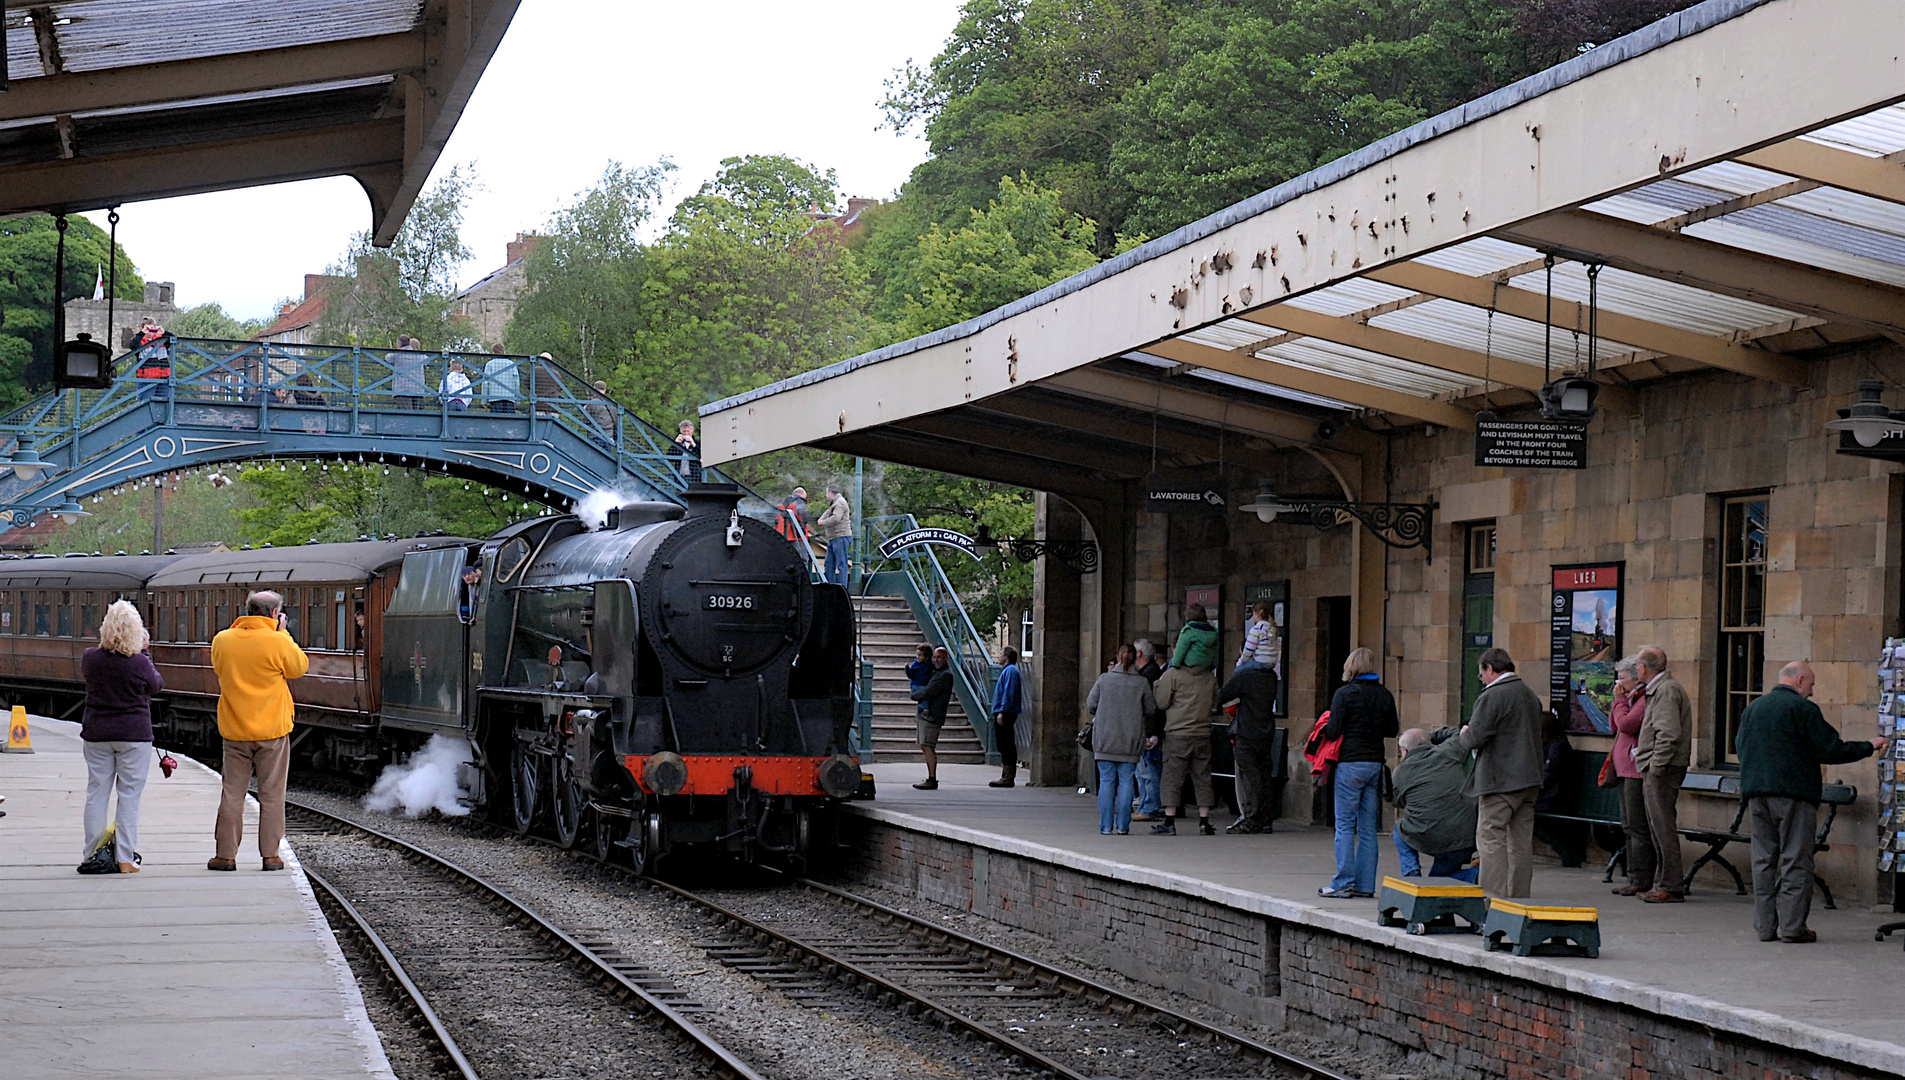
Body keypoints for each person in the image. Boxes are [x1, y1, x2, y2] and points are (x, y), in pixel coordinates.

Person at [1735, 661, 1885, 943]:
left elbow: (1740, 747)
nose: (1813, 692)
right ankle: (1793, 927)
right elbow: (1829, 748)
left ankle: (1765, 927)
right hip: (1794, 793)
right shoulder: (1802, 709)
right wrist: (1868, 746)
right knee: (1796, 859)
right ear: (1800, 680)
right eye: (1812, 684)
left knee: (1763, 859)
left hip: (1756, 793)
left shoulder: (1753, 709)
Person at [208, 591, 309, 872]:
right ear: (275, 614)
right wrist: (284, 634)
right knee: (272, 795)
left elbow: (219, 667)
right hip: (273, 731)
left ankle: (225, 856)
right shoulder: (278, 641)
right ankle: (271, 857)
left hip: (235, 730)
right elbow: (299, 668)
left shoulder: (223, 640)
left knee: (232, 794)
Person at [80, 600, 164, 874]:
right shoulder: (139, 661)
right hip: (133, 736)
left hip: (97, 734)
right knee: (129, 795)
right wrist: (145, 652)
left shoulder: (90, 658)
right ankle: (124, 857)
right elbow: (156, 686)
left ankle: (92, 854)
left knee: (97, 793)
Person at [1459, 648, 1545, 898]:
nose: (1482, 678)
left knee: (1491, 839)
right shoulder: (1530, 695)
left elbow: (1473, 738)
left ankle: (1491, 900)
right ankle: (1518, 901)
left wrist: (1464, 732)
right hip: (1529, 780)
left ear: (1490, 668)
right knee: (1520, 844)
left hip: (1499, 780)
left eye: (1481, 673)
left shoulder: (1493, 696)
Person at [1319, 647, 1398, 897]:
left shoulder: (1344, 694)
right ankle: (1365, 885)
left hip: (1350, 763)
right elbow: (1392, 730)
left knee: (1344, 826)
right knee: (1367, 829)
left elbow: (1333, 731)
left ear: (1351, 666)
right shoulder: (1384, 694)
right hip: (1374, 764)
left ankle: (1343, 882)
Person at [1634, 645, 1694, 903]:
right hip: (1659, 766)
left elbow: (1668, 733)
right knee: (1658, 826)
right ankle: (1664, 882)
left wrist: (1655, 766)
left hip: (1663, 769)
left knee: (1662, 826)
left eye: (1637, 664)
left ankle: (1670, 884)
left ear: (1644, 668)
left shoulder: (1666, 691)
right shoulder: (1660, 689)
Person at [1086, 644, 1156, 836]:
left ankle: (1106, 826)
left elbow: (1091, 704)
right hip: (1130, 740)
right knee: (1126, 782)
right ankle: (1123, 826)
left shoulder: (1104, 679)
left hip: (1105, 738)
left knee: (1107, 781)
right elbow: (1150, 709)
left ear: (1117, 658)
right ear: (1134, 659)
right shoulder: (1141, 682)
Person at [1393, 728, 1479, 881]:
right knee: (1437, 879)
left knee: (1398, 829)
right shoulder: (1449, 751)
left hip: (1429, 836)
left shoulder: (1401, 772)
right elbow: (1457, 732)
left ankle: (1412, 874)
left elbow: (1397, 802)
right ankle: (1477, 875)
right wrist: (1427, 738)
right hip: (1465, 837)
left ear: (1405, 751)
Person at [1149, 647, 1218, 836]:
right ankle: (1205, 821)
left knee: (1172, 777)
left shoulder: (1173, 674)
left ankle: (1169, 821)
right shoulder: (1209, 677)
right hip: (1202, 733)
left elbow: (1162, 702)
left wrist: (1157, 685)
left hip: (1177, 733)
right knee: (1203, 777)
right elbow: (1215, 701)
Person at [1608, 656, 1657, 896]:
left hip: (1635, 769)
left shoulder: (1644, 699)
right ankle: (1632, 875)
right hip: (1623, 768)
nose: (1619, 682)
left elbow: (1627, 724)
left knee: (1637, 826)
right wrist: (1619, 702)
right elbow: (1615, 726)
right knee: (1627, 825)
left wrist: (1619, 702)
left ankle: (1642, 877)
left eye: (1623, 677)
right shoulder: (1628, 699)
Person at [1216, 659, 1280, 833]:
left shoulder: (1245, 676)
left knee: (1248, 776)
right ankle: (1266, 818)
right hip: (1266, 730)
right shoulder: (1271, 676)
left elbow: (1221, 696)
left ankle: (1251, 818)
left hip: (1246, 730)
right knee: (1264, 774)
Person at [1533, 710, 1586, 867]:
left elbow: (1549, 776)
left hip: (1556, 798)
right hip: (1548, 795)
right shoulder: (1546, 745)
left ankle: (1568, 853)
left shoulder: (1557, 747)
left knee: (1533, 819)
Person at [909, 647, 953, 790]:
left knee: (927, 746)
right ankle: (931, 777)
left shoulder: (944, 675)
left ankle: (932, 778)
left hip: (933, 716)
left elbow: (929, 691)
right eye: (934, 657)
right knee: (924, 745)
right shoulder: (937, 672)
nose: (936, 660)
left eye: (939, 657)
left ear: (945, 658)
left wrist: (914, 695)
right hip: (927, 714)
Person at [1131, 639, 1165, 822]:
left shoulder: (1148, 676)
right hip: (1147, 729)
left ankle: (1150, 806)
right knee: (1142, 771)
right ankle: (1145, 804)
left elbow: (1152, 708)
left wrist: (1151, 733)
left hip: (1148, 730)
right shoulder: (1150, 673)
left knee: (1147, 771)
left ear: (1139, 654)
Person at [990, 645, 1024, 788]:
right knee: (1004, 743)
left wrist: (1002, 711)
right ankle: (1006, 774)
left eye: (1001, 653)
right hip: (1004, 711)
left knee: (1006, 743)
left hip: (1005, 712)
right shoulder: (1009, 671)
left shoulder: (1010, 671)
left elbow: (1008, 693)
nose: (999, 656)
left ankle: (1008, 776)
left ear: (1007, 656)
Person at [817, 484, 853, 586]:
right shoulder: (835, 503)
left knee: (841, 565)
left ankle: (843, 589)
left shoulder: (840, 503)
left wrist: (822, 522)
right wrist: (821, 519)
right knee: (829, 564)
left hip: (841, 537)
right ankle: (829, 587)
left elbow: (836, 518)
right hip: (834, 538)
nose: (826, 495)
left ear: (830, 493)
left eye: (826, 493)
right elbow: (828, 512)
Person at [1235, 600, 1280, 672]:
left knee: (1238, 670)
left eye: (1254, 614)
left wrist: (1240, 662)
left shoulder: (1256, 629)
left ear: (1258, 614)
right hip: (1272, 661)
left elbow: (1248, 650)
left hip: (1261, 661)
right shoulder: (1272, 628)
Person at [133, 317, 171, 402]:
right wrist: (142, 333)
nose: (151, 330)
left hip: (164, 377)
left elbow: (173, 340)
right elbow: (132, 345)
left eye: (153, 327)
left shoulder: (161, 340)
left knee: (164, 404)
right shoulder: (140, 341)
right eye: (148, 328)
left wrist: (164, 332)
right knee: (145, 405)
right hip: (146, 378)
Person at [1171, 604, 1219, 671]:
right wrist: (1213, 665)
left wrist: (1175, 665)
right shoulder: (1214, 632)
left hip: (1190, 665)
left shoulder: (1188, 630)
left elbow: (1181, 649)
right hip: (1206, 666)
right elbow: (1216, 651)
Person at [390, 335, 428, 409]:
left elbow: (388, 358)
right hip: (418, 390)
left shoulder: (397, 354)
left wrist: (397, 349)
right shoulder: (419, 356)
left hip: (402, 389)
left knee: (406, 415)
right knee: (417, 416)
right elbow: (427, 360)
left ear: (399, 343)